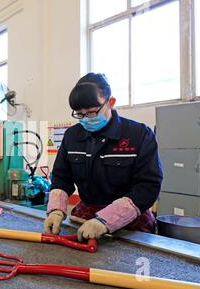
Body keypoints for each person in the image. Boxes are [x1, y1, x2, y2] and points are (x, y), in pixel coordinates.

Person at [44, 73, 163, 241]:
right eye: (79, 114)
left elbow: (148, 186)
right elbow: (61, 177)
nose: (85, 119)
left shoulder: (139, 135)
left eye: (91, 113)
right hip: (85, 218)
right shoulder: (72, 135)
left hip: (130, 223)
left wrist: (106, 220)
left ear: (110, 102)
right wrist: (56, 209)